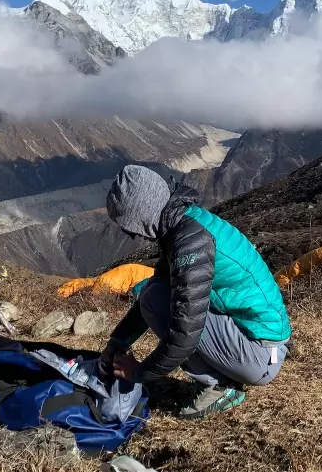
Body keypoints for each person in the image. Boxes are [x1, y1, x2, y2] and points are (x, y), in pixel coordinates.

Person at [97, 165, 291, 419]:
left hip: (260, 354)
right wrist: (118, 342)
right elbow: (157, 294)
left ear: (142, 215)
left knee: (159, 300)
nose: (131, 234)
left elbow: (185, 334)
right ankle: (218, 378)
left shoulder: (191, 243)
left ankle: (219, 387)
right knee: (154, 292)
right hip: (255, 340)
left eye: (128, 225)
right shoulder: (183, 226)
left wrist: (139, 373)